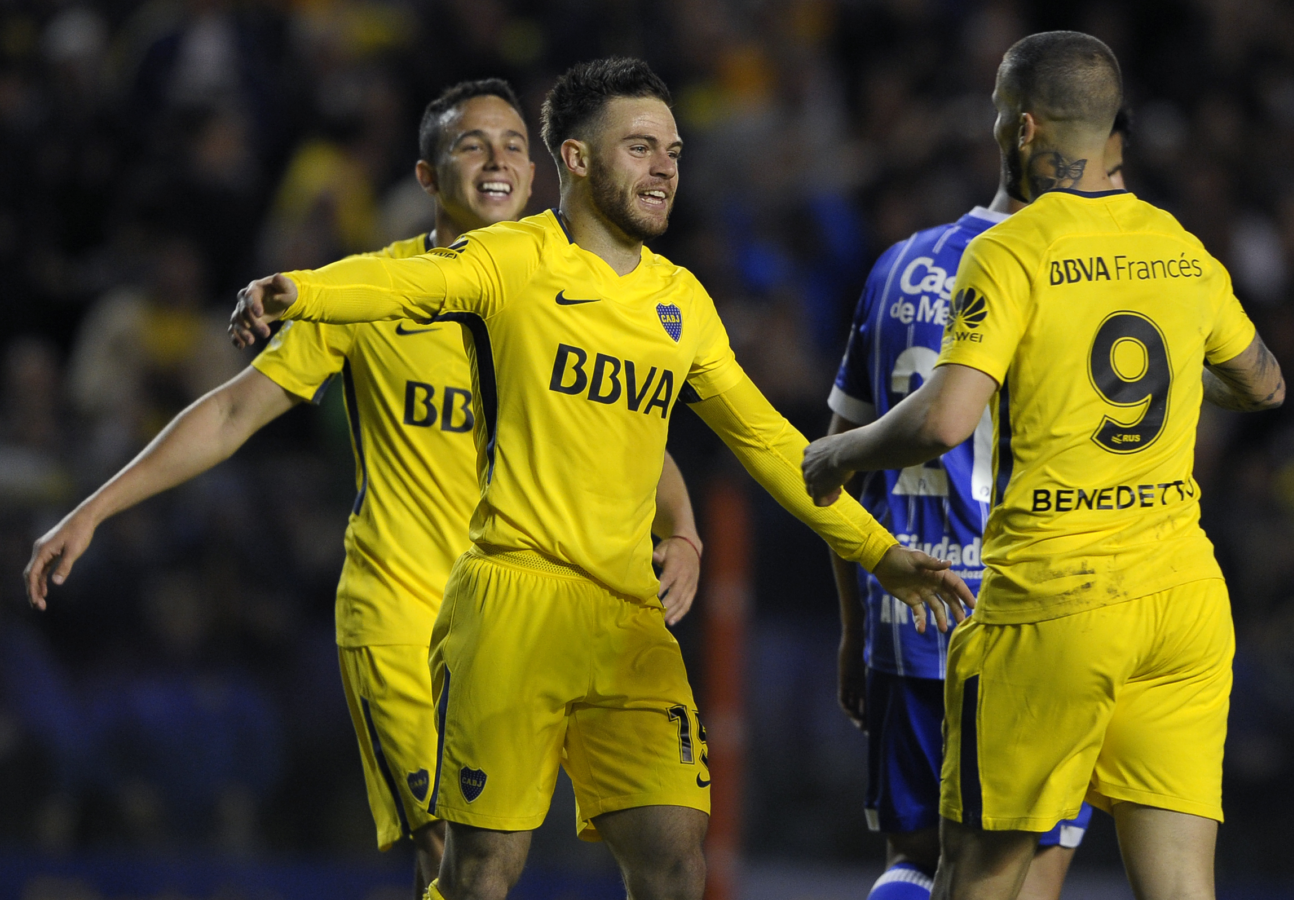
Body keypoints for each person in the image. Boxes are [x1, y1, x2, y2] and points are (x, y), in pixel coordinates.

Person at [227, 57, 975, 900]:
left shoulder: (680, 301)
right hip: (513, 608)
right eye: (641, 148)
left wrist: (880, 555)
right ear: (577, 160)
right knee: (479, 872)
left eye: (674, 150)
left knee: (672, 862)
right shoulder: (511, 260)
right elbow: (405, 279)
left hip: (627, 624)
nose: (665, 169)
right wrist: (301, 291)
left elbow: (768, 442)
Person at [24, 78, 704, 899]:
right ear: (426, 178)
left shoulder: (567, 293)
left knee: (657, 850)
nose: (498, 159)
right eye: (471, 144)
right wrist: (94, 508)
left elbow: (629, 433)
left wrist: (685, 531)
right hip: (402, 612)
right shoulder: (368, 291)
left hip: (535, 618)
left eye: (514, 144)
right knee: (456, 847)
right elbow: (235, 408)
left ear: (537, 174)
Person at [803, 32, 1283, 900]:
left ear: (1021, 128)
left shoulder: (1013, 247)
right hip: (1181, 602)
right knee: (1181, 888)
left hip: (1052, 603)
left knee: (977, 876)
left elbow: (945, 418)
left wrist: (839, 451)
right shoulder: (1177, 245)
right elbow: (1263, 384)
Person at [825, 151, 1120, 900]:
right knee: (1015, 879)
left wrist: (852, 628)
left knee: (914, 862)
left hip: (907, 616)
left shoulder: (896, 266)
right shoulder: (1084, 273)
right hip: (1036, 618)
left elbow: (838, 469)